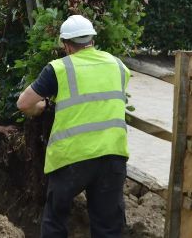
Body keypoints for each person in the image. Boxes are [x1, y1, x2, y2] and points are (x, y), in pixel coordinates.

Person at [16, 15, 130, 238]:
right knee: (108, 226)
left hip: (72, 157)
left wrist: (40, 107)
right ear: (92, 40)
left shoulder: (59, 69)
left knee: (55, 219)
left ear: (65, 44)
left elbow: (24, 103)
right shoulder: (118, 65)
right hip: (112, 154)